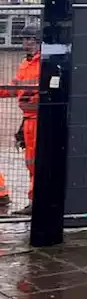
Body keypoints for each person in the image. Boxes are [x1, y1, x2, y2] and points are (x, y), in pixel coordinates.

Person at [1, 25, 40, 215]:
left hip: (40, 119)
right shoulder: (26, 63)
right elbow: (14, 87)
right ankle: (35, 201)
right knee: (31, 162)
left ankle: (38, 201)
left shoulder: (44, 63)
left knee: (36, 162)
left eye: (29, 39)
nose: (25, 42)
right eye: (24, 39)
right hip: (29, 120)